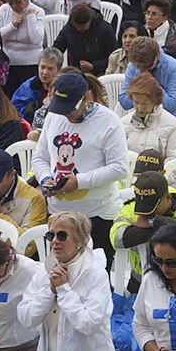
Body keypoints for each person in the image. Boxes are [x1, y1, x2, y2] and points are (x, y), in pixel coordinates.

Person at [14, 212, 118, 351]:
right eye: (50, 235)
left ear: (80, 240)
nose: (54, 241)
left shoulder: (96, 274)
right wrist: (49, 291)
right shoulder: (43, 272)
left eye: (62, 235)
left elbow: (88, 323)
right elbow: (26, 318)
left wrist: (63, 290)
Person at [31, 73, 129, 258]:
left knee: (96, 270)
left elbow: (120, 167)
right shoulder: (53, 116)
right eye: (61, 108)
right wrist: (46, 179)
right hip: (58, 214)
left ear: (85, 98)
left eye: (71, 108)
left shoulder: (108, 121)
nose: (66, 114)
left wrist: (79, 182)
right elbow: (39, 157)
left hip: (96, 214)